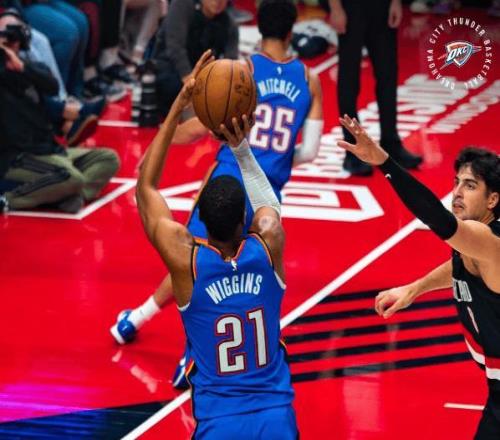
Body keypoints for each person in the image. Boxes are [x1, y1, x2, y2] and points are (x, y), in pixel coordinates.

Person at [111, 0, 323, 371]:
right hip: (266, 194)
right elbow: (308, 152)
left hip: (226, 180)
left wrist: (161, 142)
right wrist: (274, 158)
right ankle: (182, 341)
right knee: (246, 280)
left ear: (259, 28)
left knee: (192, 260)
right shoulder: (309, 79)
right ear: (292, 31)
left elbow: (198, 128)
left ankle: (153, 330)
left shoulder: (242, 72)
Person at [134, 49, 298, 439]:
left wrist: (179, 105)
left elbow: (146, 186)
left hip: (219, 422)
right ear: (245, 218)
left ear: (200, 222)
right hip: (276, 416)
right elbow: (270, 210)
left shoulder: (187, 263)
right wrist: (241, 150)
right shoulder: (267, 248)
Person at [337, 114, 500, 439]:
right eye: (456, 182)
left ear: (492, 199)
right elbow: (462, 268)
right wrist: (415, 288)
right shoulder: (475, 248)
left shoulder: (488, 241)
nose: (457, 192)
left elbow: (436, 218)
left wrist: (384, 162)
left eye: (470, 186)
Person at [0, 12, 119, 212]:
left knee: (108, 159)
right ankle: (8, 199)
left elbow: (52, 85)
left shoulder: (28, 68)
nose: (6, 38)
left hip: (49, 151)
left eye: (11, 33)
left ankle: (63, 195)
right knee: (70, 177)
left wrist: (21, 66)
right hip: (17, 157)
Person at [329, 0, 423, 176]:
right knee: (349, 79)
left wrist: (395, 2)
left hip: (382, 6)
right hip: (351, 7)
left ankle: (391, 143)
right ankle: (353, 151)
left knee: (388, 73)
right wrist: (335, 7)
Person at [151, 0, 239, 117]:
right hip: (172, 71)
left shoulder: (229, 22)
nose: (218, 1)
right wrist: (194, 90)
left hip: (203, 79)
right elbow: (175, 49)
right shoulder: (182, 5)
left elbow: (231, 64)